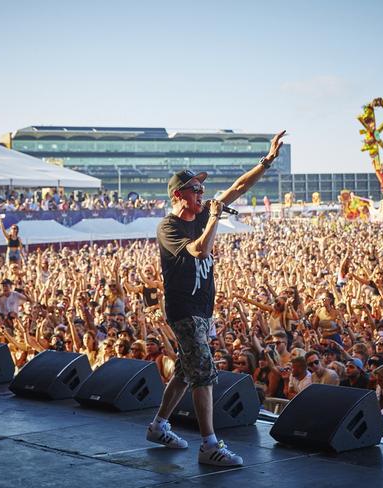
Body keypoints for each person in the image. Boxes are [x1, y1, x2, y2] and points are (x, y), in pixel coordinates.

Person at [145, 130, 286, 467]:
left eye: (203, 189)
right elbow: (199, 250)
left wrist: (266, 161)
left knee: (185, 370)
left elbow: (238, 187)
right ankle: (209, 444)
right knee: (205, 372)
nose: (203, 193)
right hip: (184, 310)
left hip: (202, 309)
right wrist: (214, 218)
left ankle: (159, 425)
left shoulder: (205, 212)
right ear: (180, 195)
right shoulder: (169, 227)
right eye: (196, 189)